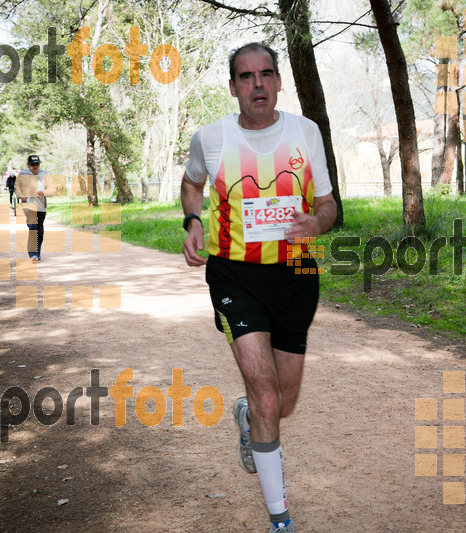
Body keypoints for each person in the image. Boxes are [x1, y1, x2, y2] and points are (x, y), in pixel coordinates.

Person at [180, 43, 337, 533]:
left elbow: (330, 205)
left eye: (266, 74)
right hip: (235, 276)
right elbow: (192, 185)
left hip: (296, 277)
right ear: (233, 87)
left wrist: (316, 223)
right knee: (271, 399)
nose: (258, 85)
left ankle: (249, 414)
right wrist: (192, 221)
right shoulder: (210, 137)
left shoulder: (306, 132)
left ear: (279, 81)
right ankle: (280, 519)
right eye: (246, 77)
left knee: (281, 404)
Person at [18, 155, 47, 263]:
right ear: (28, 165)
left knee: (39, 229)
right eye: (32, 164)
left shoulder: (45, 174)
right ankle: (33, 255)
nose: (35, 166)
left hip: (41, 206)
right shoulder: (23, 174)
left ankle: (37, 253)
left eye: (37, 164)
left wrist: (45, 192)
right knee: (33, 227)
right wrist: (21, 196)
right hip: (29, 205)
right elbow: (18, 189)